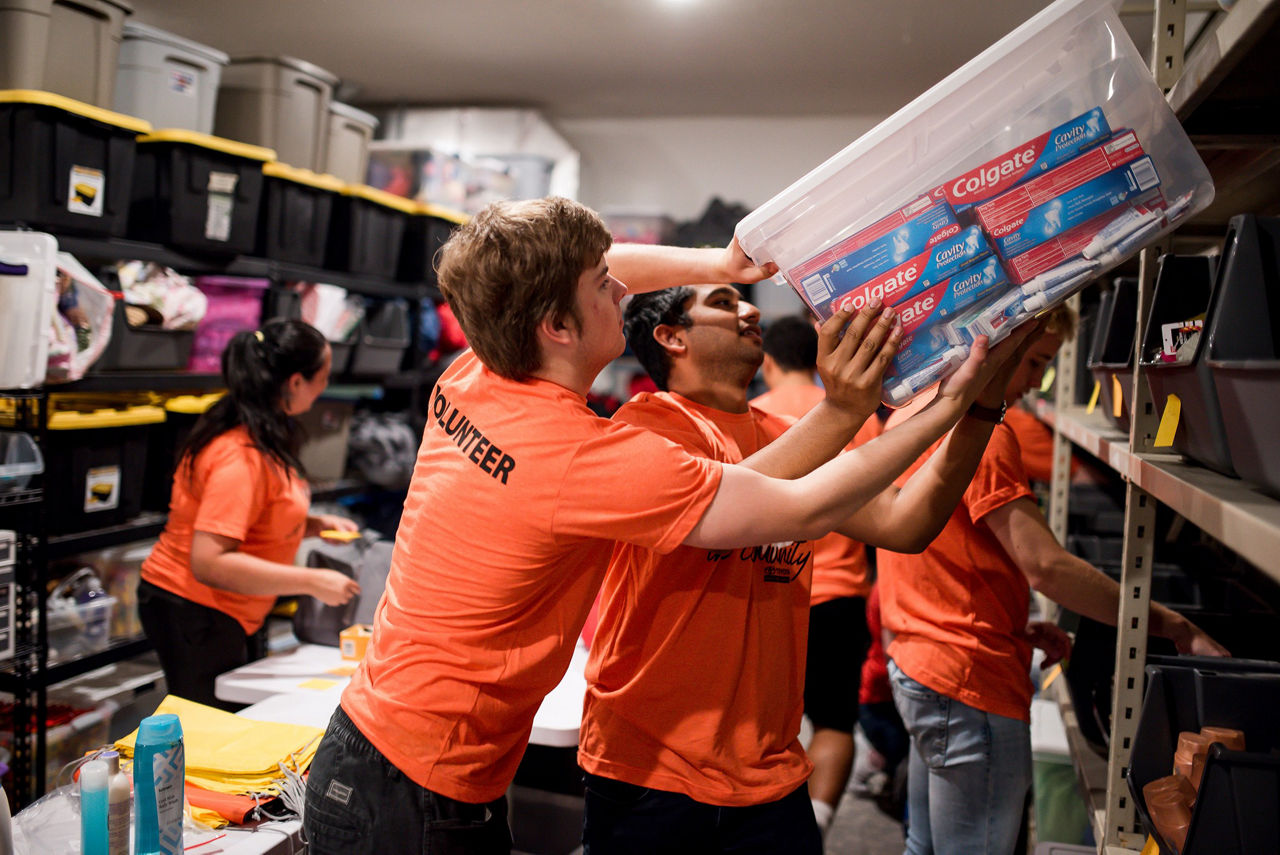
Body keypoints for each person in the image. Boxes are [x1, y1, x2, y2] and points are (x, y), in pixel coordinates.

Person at [304, 196, 1005, 855]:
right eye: (603, 285)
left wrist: (717, 266)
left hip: (380, 746)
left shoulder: (479, 371)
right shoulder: (585, 453)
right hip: (419, 789)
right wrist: (927, 407)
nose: (622, 291)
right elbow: (794, 504)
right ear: (556, 326)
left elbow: (757, 474)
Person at [577, 284, 1035, 855]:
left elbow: (903, 524)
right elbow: (728, 499)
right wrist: (851, 407)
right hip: (651, 772)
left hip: (768, 774)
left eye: (744, 301)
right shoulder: (647, 427)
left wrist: (980, 406)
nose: (750, 310)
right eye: (722, 303)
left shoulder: (779, 433)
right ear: (670, 337)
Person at [877, 305, 1229, 855]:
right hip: (970, 679)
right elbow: (1046, 566)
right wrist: (1168, 623)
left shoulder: (908, 418)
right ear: (992, 345)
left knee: (926, 845)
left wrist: (1012, 621)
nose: (1039, 381)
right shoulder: (982, 436)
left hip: (920, 665)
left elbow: (951, 553)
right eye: (1035, 361)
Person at [137, 319, 361, 710]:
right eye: (322, 378)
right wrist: (311, 581)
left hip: (223, 610)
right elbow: (209, 561)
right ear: (294, 382)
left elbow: (255, 515)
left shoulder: (261, 431)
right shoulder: (239, 456)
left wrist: (310, 526)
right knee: (209, 733)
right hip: (194, 607)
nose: (325, 388)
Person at [751, 314, 881, 834]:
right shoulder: (860, 416)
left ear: (767, 362)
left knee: (758, 727)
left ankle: (758, 828)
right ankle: (819, 823)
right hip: (840, 593)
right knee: (833, 721)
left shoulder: (751, 414)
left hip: (768, 594)